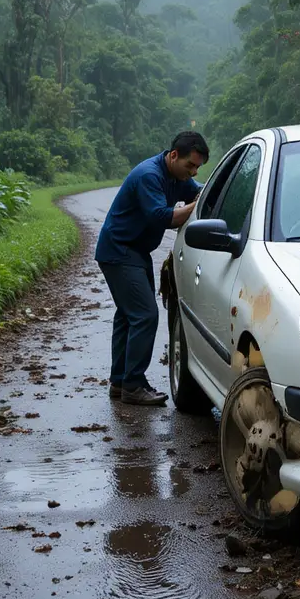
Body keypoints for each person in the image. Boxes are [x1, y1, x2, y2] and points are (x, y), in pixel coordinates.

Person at [95, 131, 209, 406]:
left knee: (127, 316)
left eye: (197, 167)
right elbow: (161, 217)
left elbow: (198, 188)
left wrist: (211, 190)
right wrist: (197, 206)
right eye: (190, 165)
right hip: (120, 251)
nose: (193, 172)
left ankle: (120, 382)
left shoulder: (177, 176)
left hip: (134, 251)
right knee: (145, 315)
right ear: (173, 156)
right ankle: (133, 385)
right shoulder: (150, 175)